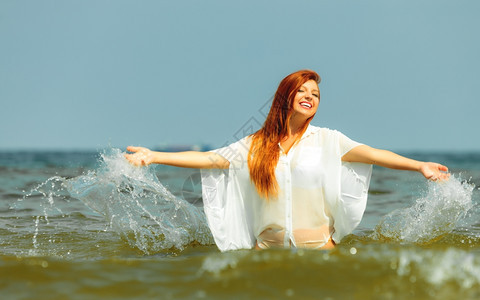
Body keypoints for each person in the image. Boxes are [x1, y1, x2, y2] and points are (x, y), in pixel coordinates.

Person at [125, 70, 449, 252]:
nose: (310, 97)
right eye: (302, 91)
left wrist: (419, 165)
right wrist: (154, 156)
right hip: (266, 254)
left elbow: (377, 155)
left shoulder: (329, 140)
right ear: (286, 96)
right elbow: (210, 159)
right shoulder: (255, 145)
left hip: (320, 252)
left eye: (316, 94)